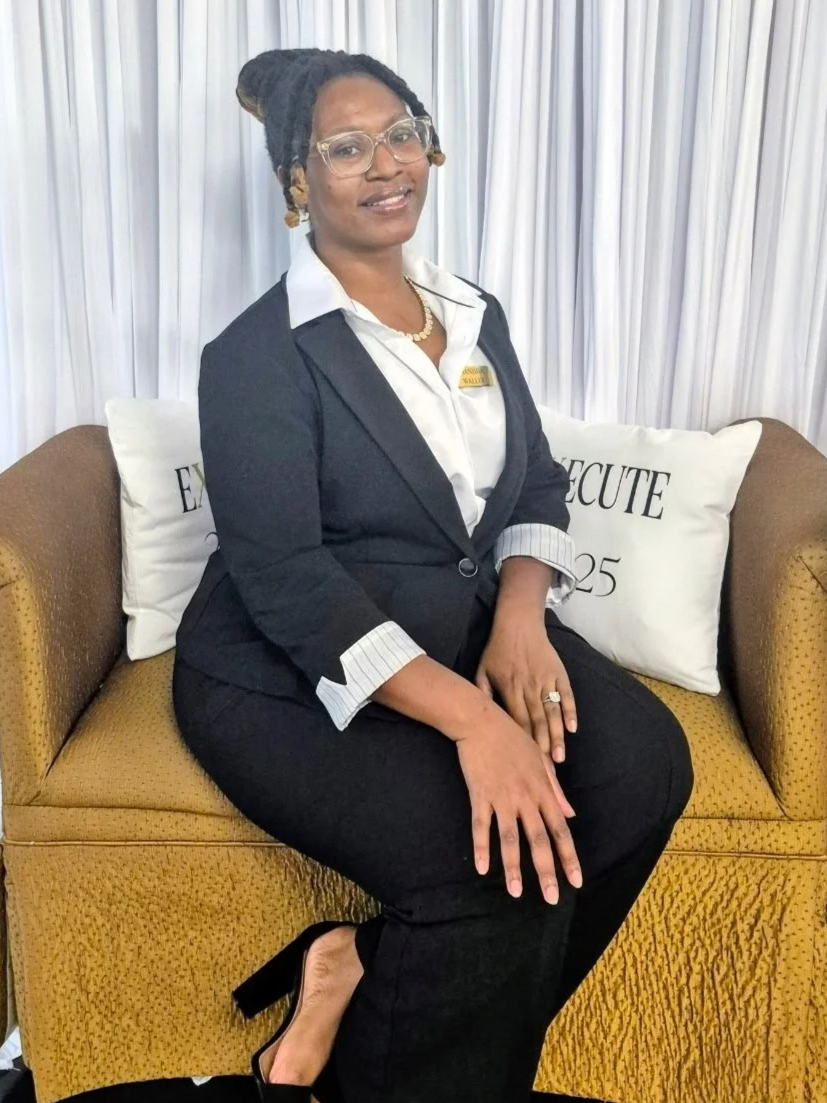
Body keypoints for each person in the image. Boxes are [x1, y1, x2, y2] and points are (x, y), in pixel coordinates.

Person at [171, 46, 694, 1103]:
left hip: (458, 621)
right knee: (484, 874)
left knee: (644, 770)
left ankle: (355, 969)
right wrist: (474, 722)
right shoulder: (256, 356)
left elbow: (533, 478)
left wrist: (519, 620)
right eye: (345, 147)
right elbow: (285, 578)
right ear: (296, 180)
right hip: (285, 670)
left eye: (400, 134)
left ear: (429, 148)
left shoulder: (472, 311)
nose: (385, 164)